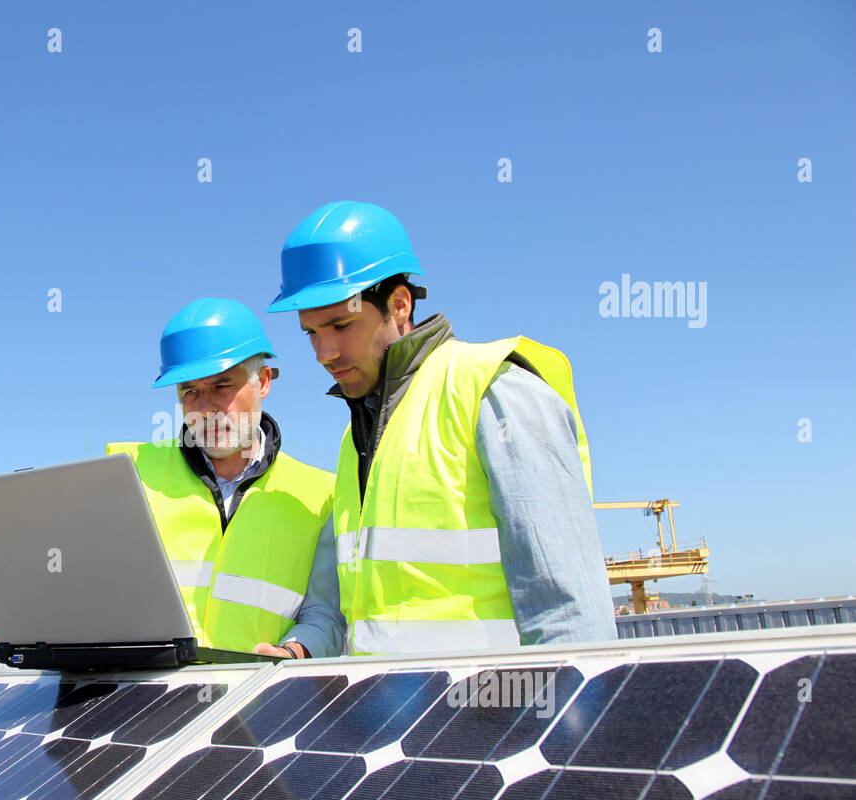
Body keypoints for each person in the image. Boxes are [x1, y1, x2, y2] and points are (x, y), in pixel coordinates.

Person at [267, 201, 616, 652]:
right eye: (311, 332)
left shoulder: (493, 390)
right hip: (386, 717)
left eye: (340, 325)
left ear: (398, 305)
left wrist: (564, 716)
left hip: (497, 714)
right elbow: (347, 604)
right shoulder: (357, 440)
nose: (324, 352)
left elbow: (570, 612)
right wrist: (302, 649)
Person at [107, 298, 344, 658]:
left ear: (263, 382)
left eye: (222, 386)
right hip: (144, 695)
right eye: (190, 392)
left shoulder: (320, 495)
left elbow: (325, 614)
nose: (205, 408)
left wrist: (295, 652)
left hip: (256, 700)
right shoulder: (129, 472)